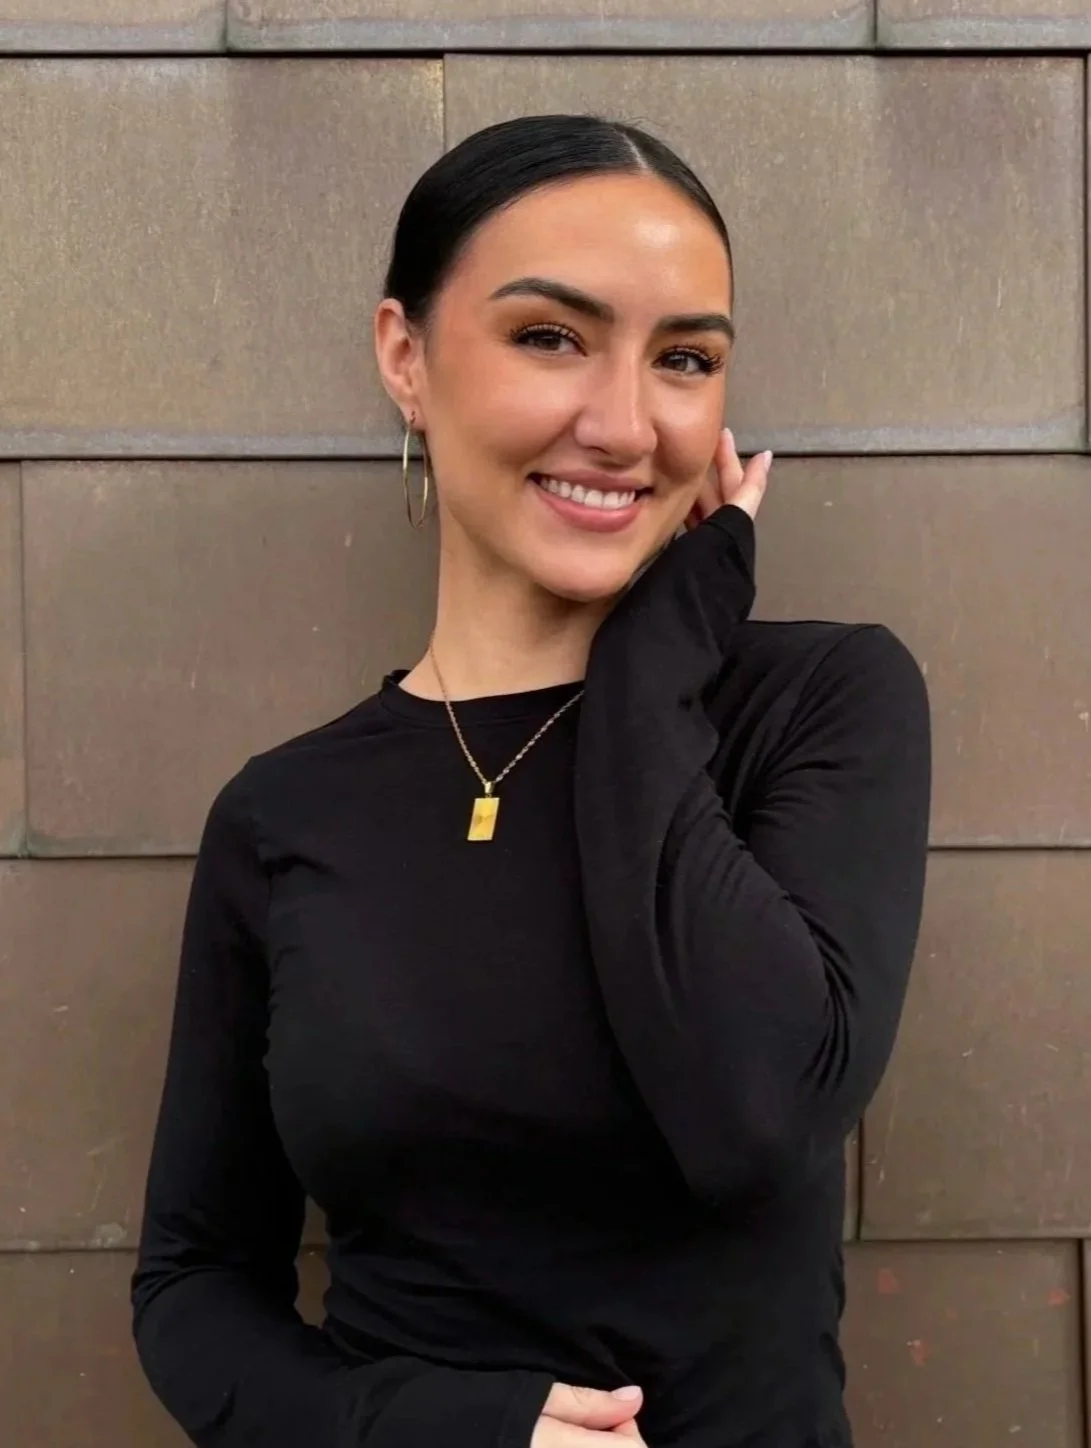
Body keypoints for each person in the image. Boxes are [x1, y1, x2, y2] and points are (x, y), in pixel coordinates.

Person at [131, 114, 931, 1448]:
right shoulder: (285, 815)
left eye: (683, 360)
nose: (622, 424)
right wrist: (429, 1427)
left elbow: (756, 1115)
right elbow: (194, 1285)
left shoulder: (816, 705)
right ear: (406, 356)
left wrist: (646, 661)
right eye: (550, 336)